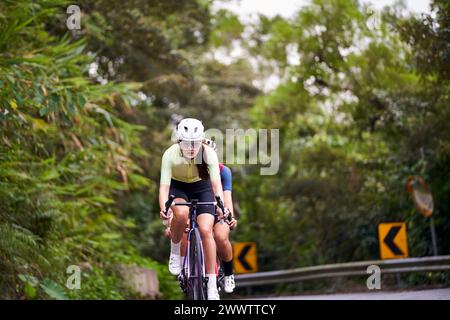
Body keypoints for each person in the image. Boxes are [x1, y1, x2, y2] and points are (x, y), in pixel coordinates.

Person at [159, 118, 228, 300]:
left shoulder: (209, 153)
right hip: (178, 187)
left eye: (195, 143)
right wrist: (164, 209)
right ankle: (175, 252)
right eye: (187, 143)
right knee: (181, 214)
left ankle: (212, 284)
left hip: (202, 187)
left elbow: (216, 185)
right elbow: (164, 189)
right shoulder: (170, 154)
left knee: (206, 229)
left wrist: (221, 204)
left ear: (201, 140)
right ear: (179, 141)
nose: (191, 148)